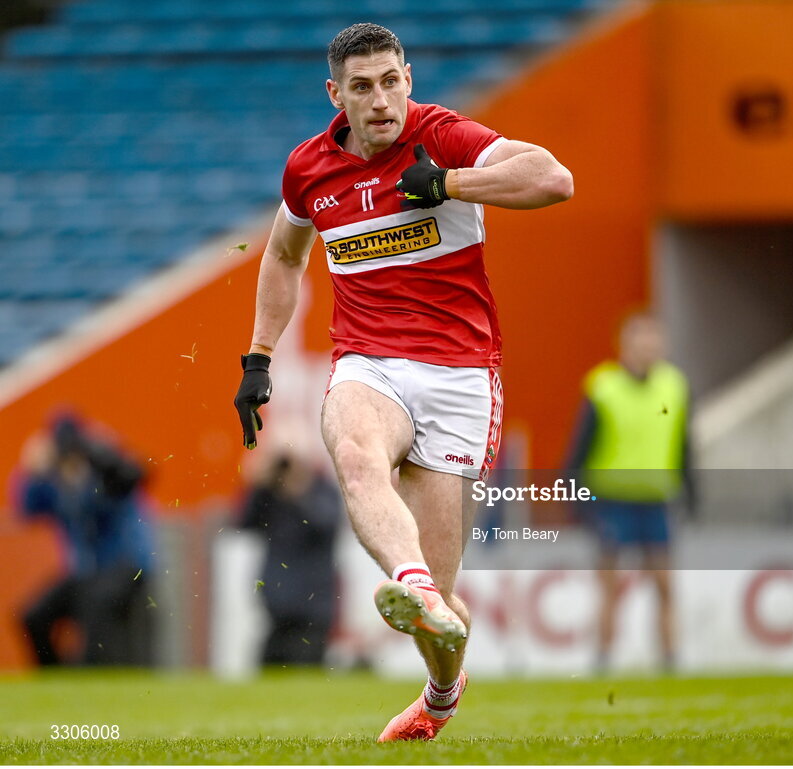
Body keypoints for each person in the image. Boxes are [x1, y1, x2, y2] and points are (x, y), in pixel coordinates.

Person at [233, 23, 572, 741]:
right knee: (356, 453)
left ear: (408, 80)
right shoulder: (309, 169)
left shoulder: (442, 137)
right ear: (337, 95)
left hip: (459, 374)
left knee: (443, 610)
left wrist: (449, 183)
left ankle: (441, 690)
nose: (380, 99)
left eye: (391, 81)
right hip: (368, 361)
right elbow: (284, 256)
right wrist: (259, 357)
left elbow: (553, 178)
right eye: (362, 86)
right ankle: (410, 582)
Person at [566, 312, 695, 672]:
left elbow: (685, 445)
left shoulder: (675, 386)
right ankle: (603, 660)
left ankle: (670, 660)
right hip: (612, 501)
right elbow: (579, 449)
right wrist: (577, 501)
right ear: (625, 345)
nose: (649, 347)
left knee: (665, 586)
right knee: (611, 587)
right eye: (642, 340)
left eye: (655, 340)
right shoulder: (603, 387)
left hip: (656, 500)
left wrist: (692, 492)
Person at [19, 416, 154, 666]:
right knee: (32, 617)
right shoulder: (57, 483)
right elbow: (28, 508)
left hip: (125, 566)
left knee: (95, 603)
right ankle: (55, 678)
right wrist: (31, 471)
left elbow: (134, 477)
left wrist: (102, 457)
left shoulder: (106, 471)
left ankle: (90, 668)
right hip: (86, 573)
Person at [239, 450, 342, 666]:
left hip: (315, 601)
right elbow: (243, 523)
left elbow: (324, 524)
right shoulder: (270, 494)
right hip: (279, 601)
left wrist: (299, 492)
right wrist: (258, 485)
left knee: (308, 667)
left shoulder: (323, 490)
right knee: (272, 669)